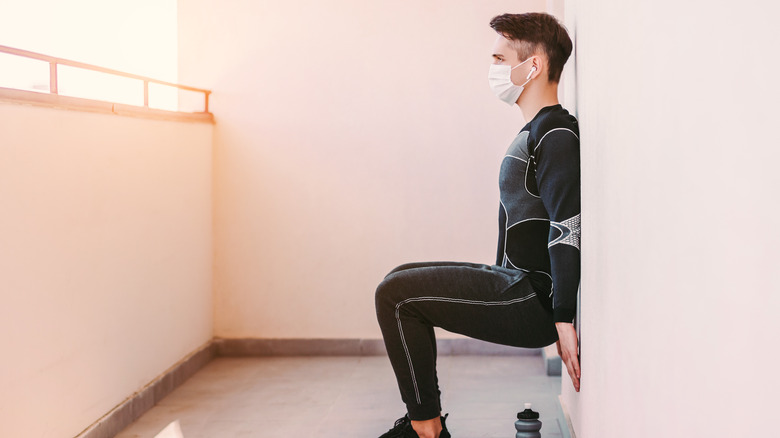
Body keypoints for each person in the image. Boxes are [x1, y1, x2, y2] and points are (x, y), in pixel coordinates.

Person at [374, 12, 581, 438]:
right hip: (511, 282)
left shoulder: (556, 133)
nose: (495, 69)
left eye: (500, 58)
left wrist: (563, 317)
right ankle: (424, 425)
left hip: (530, 297)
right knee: (397, 282)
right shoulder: (536, 130)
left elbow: (566, 225)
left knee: (395, 296)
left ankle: (425, 431)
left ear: (534, 66)